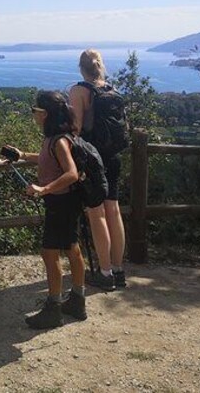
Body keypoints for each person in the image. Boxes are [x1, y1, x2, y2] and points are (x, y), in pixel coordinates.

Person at [4, 91, 88, 329]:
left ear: (45, 114)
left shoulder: (59, 140)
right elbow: (46, 159)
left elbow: (70, 173)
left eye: (35, 111)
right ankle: (77, 301)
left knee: (50, 254)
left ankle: (54, 308)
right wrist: (21, 155)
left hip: (60, 203)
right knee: (72, 248)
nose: (33, 115)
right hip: (67, 202)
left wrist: (44, 189)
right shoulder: (58, 138)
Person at [69, 49, 126, 291]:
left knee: (96, 213)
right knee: (113, 210)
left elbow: (76, 128)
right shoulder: (113, 91)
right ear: (100, 66)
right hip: (113, 157)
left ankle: (104, 273)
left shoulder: (79, 91)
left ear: (81, 68)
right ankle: (118, 269)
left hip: (93, 158)